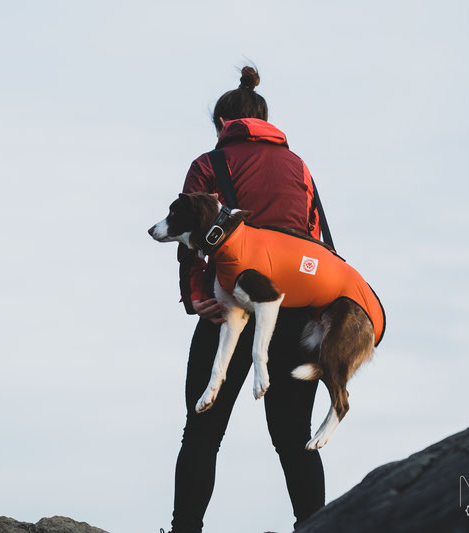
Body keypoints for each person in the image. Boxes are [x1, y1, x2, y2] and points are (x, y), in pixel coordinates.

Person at [169, 66, 326, 533]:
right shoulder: (299, 166)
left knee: (201, 432)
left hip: (229, 312)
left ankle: (185, 531)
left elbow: (189, 236)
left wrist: (196, 297)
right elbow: (314, 241)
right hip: (292, 311)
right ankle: (315, 526)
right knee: (296, 437)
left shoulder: (210, 163)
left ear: (223, 124)